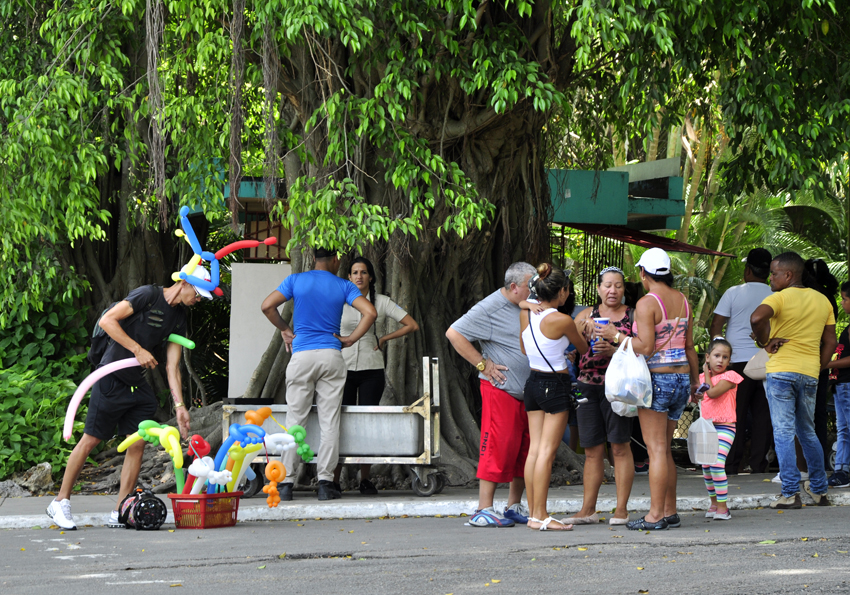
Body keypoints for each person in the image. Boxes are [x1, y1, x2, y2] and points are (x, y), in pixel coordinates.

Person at [47, 268, 210, 530]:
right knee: (91, 439)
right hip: (110, 377)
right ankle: (60, 501)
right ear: (183, 283)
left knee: (137, 443)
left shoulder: (179, 317)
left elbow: (172, 366)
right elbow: (107, 321)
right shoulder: (147, 295)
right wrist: (137, 349)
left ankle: (120, 509)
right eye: (198, 293)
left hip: (137, 384)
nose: (199, 299)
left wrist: (180, 406)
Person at [261, 247, 377, 501]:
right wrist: (349, 340)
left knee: (295, 420)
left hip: (301, 355)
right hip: (331, 355)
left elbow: (267, 306)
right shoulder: (343, 285)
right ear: (335, 260)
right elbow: (370, 312)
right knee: (329, 421)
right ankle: (325, 483)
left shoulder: (296, 280)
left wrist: (285, 329)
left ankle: (286, 483)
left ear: (313, 259)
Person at [446, 262, 536, 528]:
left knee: (525, 448)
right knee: (497, 446)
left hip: (528, 392)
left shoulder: (527, 305)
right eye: (530, 287)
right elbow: (454, 333)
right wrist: (483, 364)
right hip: (501, 390)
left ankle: (513, 505)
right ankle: (483, 508)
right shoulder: (490, 307)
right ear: (513, 287)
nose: (534, 291)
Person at [750, 251, 836, 509]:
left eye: (774, 274)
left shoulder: (779, 298)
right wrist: (817, 366)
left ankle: (790, 493)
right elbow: (830, 341)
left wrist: (764, 341)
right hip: (809, 373)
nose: (770, 279)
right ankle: (819, 490)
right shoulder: (823, 301)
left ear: (788, 274)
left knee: (784, 432)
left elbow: (756, 318)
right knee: (807, 432)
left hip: (781, 371)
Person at [626, 248, 699, 531]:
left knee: (655, 450)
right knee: (664, 449)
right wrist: (694, 382)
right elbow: (690, 347)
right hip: (681, 379)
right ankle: (670, 511)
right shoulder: (683, 301)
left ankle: (654, 515)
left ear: (643, 273)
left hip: (657, 380)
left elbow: (644, 347)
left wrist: (616, 337)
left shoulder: (647, 303)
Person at [333, 256, 419, 494]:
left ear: (370, 276)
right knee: (340, 422)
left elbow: (411, 324)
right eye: (354, 272)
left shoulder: (381, 302)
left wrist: (383, 338)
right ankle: (334, 479)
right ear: (348, 277)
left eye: (363, 272)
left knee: (366, 424)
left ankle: (365, 479)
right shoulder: (339, 301)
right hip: (343, 368)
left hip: (372, 369)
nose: (358, 276)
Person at [519, 264, 588, 531]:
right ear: (561, 292)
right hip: (555, 383)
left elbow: (525, 347)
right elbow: (582, 347)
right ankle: (542, 516)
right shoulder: (562, 319)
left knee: (535, 451)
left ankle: (533, 515)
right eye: (566, 291)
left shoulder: (527, 313)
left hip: (533, 382)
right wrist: (579, 327)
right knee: (546, 452)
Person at [565, 266, 635, 526]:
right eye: (607, 285)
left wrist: (614, 349)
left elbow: (642, 349)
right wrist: (580, 331)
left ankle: (622, 510)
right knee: (592, 450)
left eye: (618, 285)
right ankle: (588, 510)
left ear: (624, 289)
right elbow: (572, 346)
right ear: (598, 288)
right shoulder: (586, 315)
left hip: (618, 388)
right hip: (587, 386)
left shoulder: (633, 316)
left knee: (619, 446)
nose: (612, 290)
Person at [709, 248, 774, 474]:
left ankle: (731, 464)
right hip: (766, 362)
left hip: (736, 363)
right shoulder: (776, 294)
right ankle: (758, 465)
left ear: (748, 270)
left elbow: (716, 326)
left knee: (733, 415)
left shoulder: (734, 292)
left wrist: (718, 357)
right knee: (762, 417)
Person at [693, 337, 744, 521]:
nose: (720, 360)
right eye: (716, 355)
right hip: (707, 428)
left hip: (725, 426)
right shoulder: (698, 379)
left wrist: (706, 374)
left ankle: (723, 507)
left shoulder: (730, 377)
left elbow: (712, 393)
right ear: (707, 357)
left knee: (716, 463)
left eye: (725, 357)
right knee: (706, 467)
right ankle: (713, 503)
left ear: (729, 361)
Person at [825, 281, 850, 488]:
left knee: (847, 429)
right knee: (843, 430)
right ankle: (842, 470)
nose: (842, 303)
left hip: (847, 384)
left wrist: (827, 364)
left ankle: (842, 470)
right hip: (841, 385)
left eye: (845, 299)